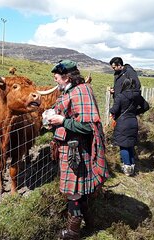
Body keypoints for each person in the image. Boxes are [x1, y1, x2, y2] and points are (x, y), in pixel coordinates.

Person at [44, 60, 109, 239]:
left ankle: (73, 233)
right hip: (72, 149)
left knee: (74, 191)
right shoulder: (73, 90)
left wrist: (62, 121)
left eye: (56, 78)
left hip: (77, 151)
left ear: (66, 77)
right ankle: (89, 223)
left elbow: (89, 127)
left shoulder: (81, 92)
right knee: (78, 188)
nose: (55, 81)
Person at [109, 78, 150, 176]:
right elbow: (146, 107)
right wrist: (135, 112)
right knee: (130, 144)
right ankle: (132, 166)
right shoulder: (138, 96)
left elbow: (114, 110)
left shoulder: (120, 96)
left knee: (123, 145)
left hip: (122, 122)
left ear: (124, 85)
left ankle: (127, 168)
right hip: (133, 121)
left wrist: (113, 110)